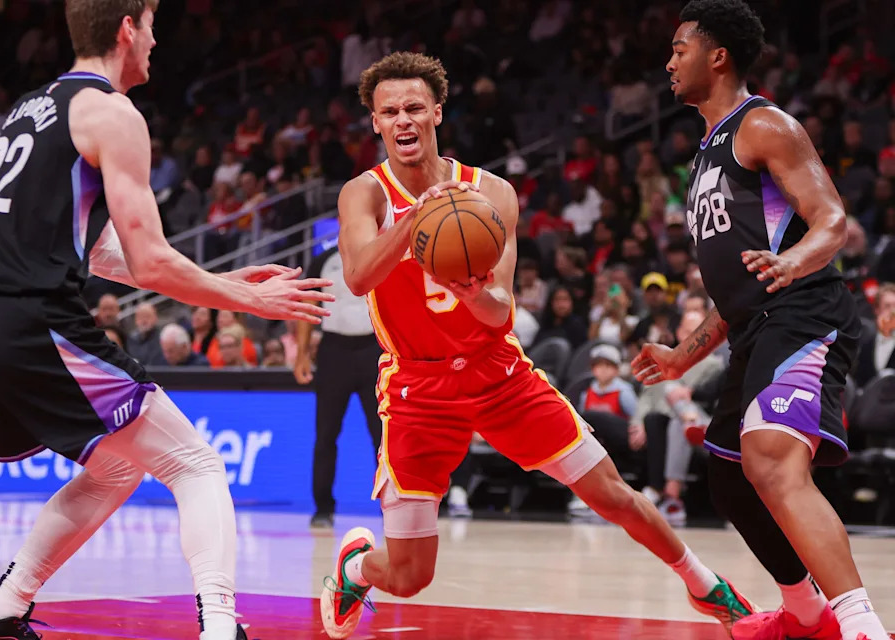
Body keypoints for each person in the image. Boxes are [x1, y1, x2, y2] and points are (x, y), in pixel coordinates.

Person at [319, 51, 755, 640]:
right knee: (410, 575)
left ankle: (705, 586)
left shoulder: (491, 192)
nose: (403, 120)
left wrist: (471, 291)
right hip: (418, 386)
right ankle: (356, 567)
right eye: (389, 110)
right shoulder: (364, 194)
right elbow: (358, 277)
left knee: (612, 494)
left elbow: (501, 312)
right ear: (374, 121)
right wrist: (415, 222)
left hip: (498, 374)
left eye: (414, 108)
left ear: (437, 113)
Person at [0, 3, 334, 640]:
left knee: (118, 467)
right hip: (28, 321)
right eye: (151, 23)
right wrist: (249, 303)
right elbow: (150, 261)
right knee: (196, 465)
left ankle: (2, 608)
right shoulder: (112, 112)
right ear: (127, 26)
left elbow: (97, 252)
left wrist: (228, 281)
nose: (155, 39)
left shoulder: (29, 112)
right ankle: (221, 627)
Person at [633, 2, 889, 639]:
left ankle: (861, 626)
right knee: (727, 477)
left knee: (771, 459)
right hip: (756, 323)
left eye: (680, 48)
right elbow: (732, 287)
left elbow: (832, 221)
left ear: (717, 55)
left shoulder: (765, 125)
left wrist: (791, 260)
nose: (669, 62)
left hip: (806, 310)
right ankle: (805, 613)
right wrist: (683, 355)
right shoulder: (704, 155)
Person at [293, 245, 382, 529]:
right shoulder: (323, 260)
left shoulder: (381, 251)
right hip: (334, 350)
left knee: (382, 435)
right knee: (326, 433)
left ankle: (391, 505)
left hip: (374, 347)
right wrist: (302, 353)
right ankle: (323, 508)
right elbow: (308, 306)